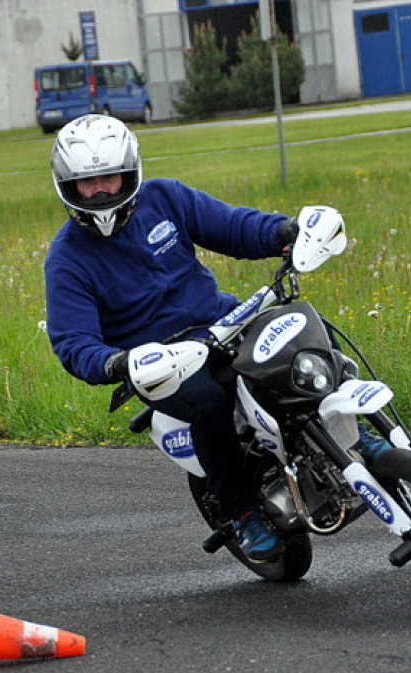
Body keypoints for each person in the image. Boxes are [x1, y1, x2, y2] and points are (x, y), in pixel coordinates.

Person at [42, 114, 300, 563]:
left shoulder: (166, 197)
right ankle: (240, 512)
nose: (101, 190)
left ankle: (346, 430)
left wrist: (285, 232)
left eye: (109, 176)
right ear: (67, 186)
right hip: (162, 361)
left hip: (223, 320)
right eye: (88, 182)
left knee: (297, 331)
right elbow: (73, 342)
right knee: (208, 400)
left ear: (130, 170)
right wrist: (118, 363)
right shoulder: (66, 259)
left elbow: (234, 226)